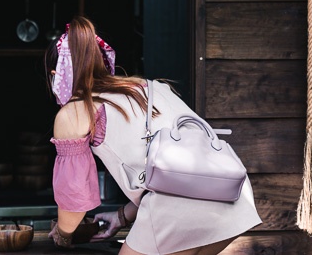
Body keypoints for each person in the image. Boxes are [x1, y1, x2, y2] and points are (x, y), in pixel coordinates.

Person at [46, 16, 261, 254]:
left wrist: (63, 235)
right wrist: (122, 216)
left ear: (56, 75)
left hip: (179, 212)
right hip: (232, 200)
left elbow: (73, 205)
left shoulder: (74, 111)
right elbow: (171, 173)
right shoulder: (148, 87)